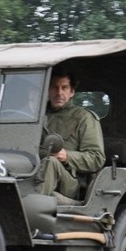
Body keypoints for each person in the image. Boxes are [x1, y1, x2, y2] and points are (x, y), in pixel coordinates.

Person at [39, 67, 105, 199]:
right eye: (54, 87)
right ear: (47, 90)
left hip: (70, 181)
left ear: (72, 92)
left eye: (64, 88)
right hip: (35, 171)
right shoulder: (39, 116)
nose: (59, 92)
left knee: (51, 162)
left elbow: (97, 158)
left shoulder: (83, 117)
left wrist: (67, 156)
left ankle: (34, 206)